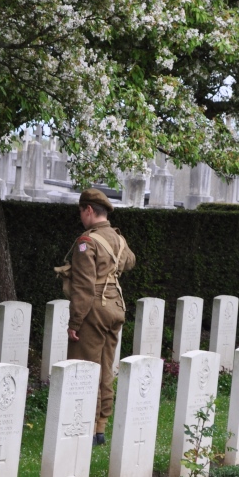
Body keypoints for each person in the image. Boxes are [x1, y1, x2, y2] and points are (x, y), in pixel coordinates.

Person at [67, 188, 136, 444]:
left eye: (81, 211)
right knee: (106, 367)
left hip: (94, 309)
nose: (80, 217)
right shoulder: (118, 238)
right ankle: (101, 426)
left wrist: (75, 322)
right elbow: (130, 262)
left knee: (86, 366)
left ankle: (85, 424)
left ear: (88, 210)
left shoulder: (87, 241)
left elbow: (83, 287)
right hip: (116, 306)